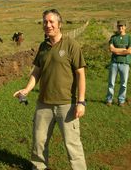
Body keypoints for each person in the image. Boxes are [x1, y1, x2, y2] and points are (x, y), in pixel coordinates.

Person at [13, 9, 87, 170]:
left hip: (66, 104)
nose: (48, 25)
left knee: (72, 144)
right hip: (43, 104)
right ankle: (39, 167)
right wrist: (26, 90)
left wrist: (81, 102)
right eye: (45, 22)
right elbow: (37, 71)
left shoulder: (71, 45)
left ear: (59, 24)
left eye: (52, 22)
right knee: (39, 141)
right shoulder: (43, 46)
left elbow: (81, 74)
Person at [105, 20, 131, 107]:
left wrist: (117, 51)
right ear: (117, 27)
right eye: (119, 26)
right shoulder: (113, 37)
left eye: (122, 26)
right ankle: (109, 100)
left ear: (125, 27)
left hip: (125, 64)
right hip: (114, 63)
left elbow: (129, 51)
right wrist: (123, 50)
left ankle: (121, 100)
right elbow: (111, 49)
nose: (120, 28)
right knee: (111, 83)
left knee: (124, 83)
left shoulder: (130, 38)